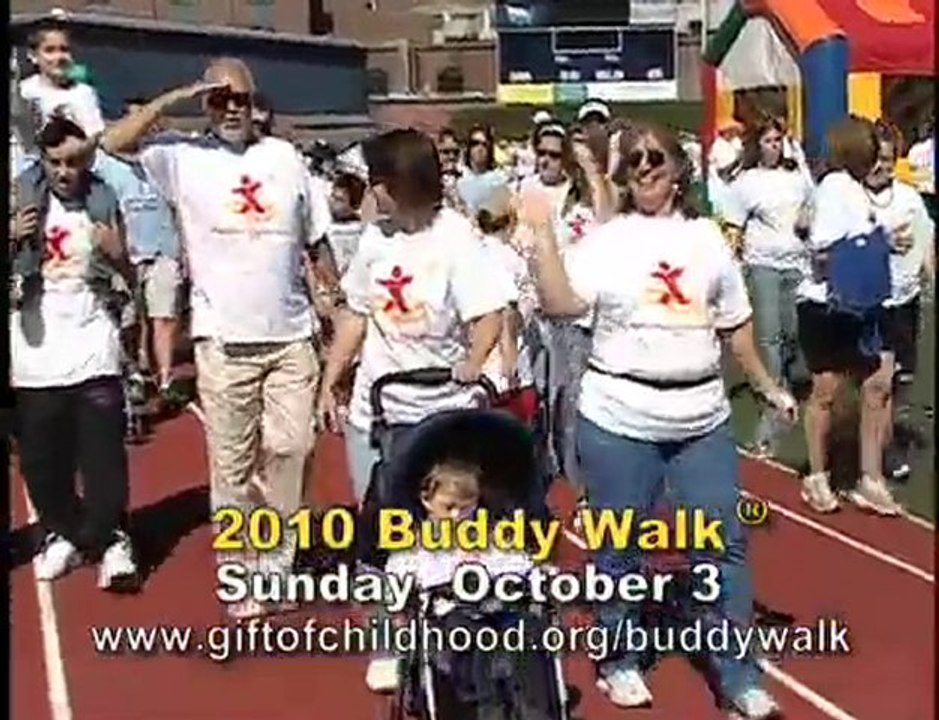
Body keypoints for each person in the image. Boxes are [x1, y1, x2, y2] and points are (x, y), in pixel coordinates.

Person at [524, 120, 795, 719]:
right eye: (634, 161)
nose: (645, 168)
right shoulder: (608, 240)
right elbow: (562, 304)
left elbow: (734, 319)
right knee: (620, 546)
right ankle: (618, 658)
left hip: (701, 418)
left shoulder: (707, 238)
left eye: (656, 159)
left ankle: (738, 676)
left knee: (722, 546)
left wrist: (765, 384)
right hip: (620, 415)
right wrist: (541, 235)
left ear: (678, 170)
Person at [99, 57, 329, 617]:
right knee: (232, 468)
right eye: (219, 99)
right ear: (205, 103)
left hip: (291, 336)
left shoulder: (285, 158)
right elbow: (111, 143)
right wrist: (180, 94)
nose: (231, 108)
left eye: (240, 99)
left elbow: (316, 238)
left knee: (293, 450)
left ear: (255, 105)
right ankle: (239, 571)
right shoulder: (181, 157)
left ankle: (276, 566)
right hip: (223, 341)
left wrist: (333, 296)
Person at [315, 128, 507, 505]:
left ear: (400, 182)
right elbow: (356, 315)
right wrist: (330, 380)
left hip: (441, 407)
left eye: (377, 181)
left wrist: (473, 361)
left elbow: (488, 313)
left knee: (441, 514)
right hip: (379, 404)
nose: (371, 191)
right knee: (378, 511)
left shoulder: (456, 238)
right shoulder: (375, 237)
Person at [11, 117, 138, 591]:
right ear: (42, 161)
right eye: (56, 162)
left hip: (92, 345)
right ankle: (62, 532)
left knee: (102, 456)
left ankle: (111, 539)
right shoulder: (21, 200)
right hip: (35, 350)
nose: (65, 172)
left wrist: (119, 255)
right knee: (43, 462)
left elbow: (131, 278)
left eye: (74, 161)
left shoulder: (102, 201)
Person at [796, 116, 901, 516]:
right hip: (828, 303)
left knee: (877, 383)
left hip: (864, 304)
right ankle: (817, 475)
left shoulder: (854, 189)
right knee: (826, 391)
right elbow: (821, 244)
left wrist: (881, 243)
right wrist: (859, 253)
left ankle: (870, 478)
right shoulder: (835, 187)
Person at [724, 113, 815, 457]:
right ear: (757, 145)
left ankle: (791, 382)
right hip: (764, 265)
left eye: (778, 141)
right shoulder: (746, 183)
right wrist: (734, 265)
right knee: (771, 339)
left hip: (798, 264)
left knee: (794, 335)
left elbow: (812, 205)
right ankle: (772, 415)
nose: (774, 147)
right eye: (768, 141)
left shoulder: (797, 176)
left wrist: (808, 216)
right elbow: (734, 227)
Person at [93, 97, 183, 404]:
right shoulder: (105, 162)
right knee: (129, 320)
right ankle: (133, 371)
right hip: (125, 255)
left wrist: (181, 249)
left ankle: (166, 379)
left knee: (164, 315)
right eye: (135, 119)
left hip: (163, 249)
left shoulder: (160, 159)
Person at [864, 121, 934, 481]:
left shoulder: (909, 198)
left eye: (889, 160)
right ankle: (875, 455)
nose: (882, 167)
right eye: (876, 159)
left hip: (906, 302)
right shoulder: (851, 198)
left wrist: (931, 276)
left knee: (901, 380)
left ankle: (883, 442)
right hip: (870, 305)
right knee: (877, 382)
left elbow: (925, 242)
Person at [18, 22, 105, 148]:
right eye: (49, 50)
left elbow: (95, 136)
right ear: (33, 56)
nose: (59, 57)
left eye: (64, 50)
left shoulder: (83, 93)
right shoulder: (23, 91)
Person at [455, 124, 509, 214]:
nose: (479, 148)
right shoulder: (459, 182)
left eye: (484, 144)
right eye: (475, 143)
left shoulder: (499, 180)